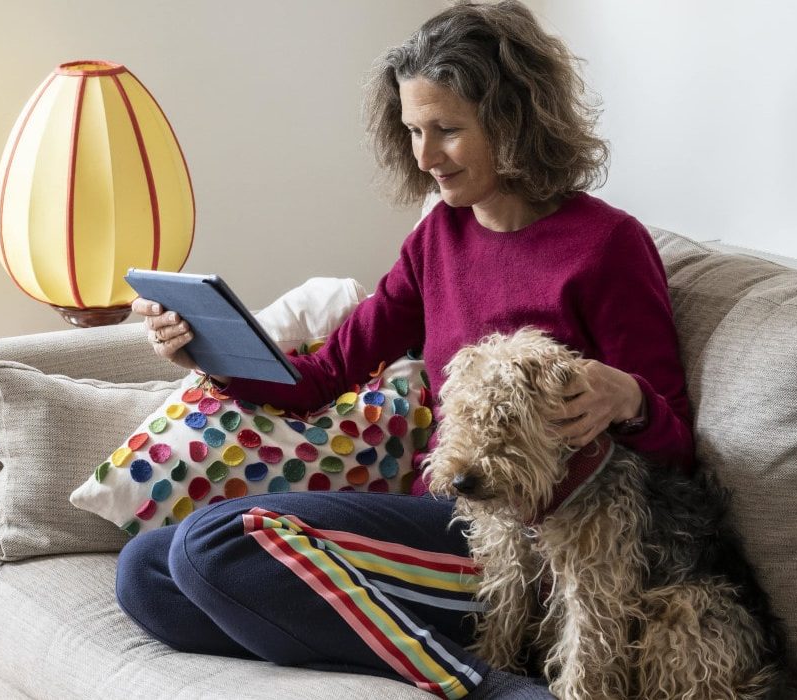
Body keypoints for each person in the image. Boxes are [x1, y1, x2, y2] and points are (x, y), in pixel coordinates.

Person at [117, 2, 694, 698]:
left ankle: (495, 687)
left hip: (522, 548)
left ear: (512, 119)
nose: (424, 157)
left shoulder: (606, 246)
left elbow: (677, 441)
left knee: (215, 545)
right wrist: (205, 347)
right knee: (146, 571)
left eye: (447, 131)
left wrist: (629, 397)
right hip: (439, 511)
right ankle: (390, 637)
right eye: (414, 131)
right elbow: (321, 378)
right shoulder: (436, 240)